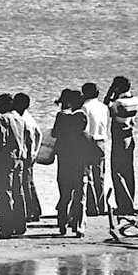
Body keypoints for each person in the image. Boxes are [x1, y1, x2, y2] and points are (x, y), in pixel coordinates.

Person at [52, 89, 90, 237]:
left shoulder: (61, 116)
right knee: (80, 195)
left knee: (65, 194)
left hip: (64, 160)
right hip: (80, 160)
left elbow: (55, 133)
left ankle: (62, 222)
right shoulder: (82, 117)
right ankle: (79, 226)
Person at [0, 93, 29, 238]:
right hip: (19, 158)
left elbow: (0, 142)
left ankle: (6, 227)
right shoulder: (20, 119)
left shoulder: (2, 119)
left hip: (6, 159)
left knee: (5, 192)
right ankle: (20, 225)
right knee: (18, 191)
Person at [105, 76, 138, 215]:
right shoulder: (135, 100)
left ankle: (124, 205)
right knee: (129, 171)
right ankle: (130, 202)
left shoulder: (118, 103)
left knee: (117, 172)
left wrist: (110, 93)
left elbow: (108, 109)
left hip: (119, 138)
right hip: (130, 136)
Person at [80, 82, 110, 216]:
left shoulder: (84, 108)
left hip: (89, 142)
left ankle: (92, 207)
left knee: (88, 175)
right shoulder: (104, 107)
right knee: (100, 176)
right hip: (102, 141)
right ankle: (101, 205)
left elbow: (84, 129)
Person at [14, 93, 43, 222]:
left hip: (26, 155)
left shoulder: (23, 119)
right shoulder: (28, 117)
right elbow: (39, 134)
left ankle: (30, 212)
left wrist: (31, 152)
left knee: (25, 183)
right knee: (29, 183)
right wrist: (36, 151)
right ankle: (35, 210)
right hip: (30, 154)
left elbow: (32, 136)